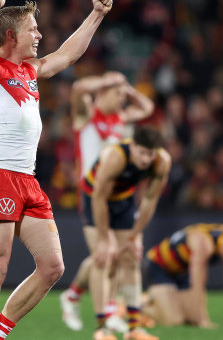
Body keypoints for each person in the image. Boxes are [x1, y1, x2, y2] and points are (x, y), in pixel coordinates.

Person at [0, 0, 113, 339]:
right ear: (11, 36)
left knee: (53, 267)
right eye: (33, 29)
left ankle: (0, 332)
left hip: (27, 181)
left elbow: (68, 54)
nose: (40, 35)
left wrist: (96, 15)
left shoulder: (30, 70)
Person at [60, 71, 155, 332]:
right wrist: (107, 81)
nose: (123, 99)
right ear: (102, 92)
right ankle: (102, 311)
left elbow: (147, 107)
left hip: (117, 194)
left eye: (124, 95)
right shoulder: (86, 116)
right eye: (118, 94)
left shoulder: (120, 118)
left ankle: (75, 296)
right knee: (104, 254)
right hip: (90, 193)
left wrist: (126, 87)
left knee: (113, 254)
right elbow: (79, 87)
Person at [84, 126, 170, 340]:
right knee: (102, 259)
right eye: (141, 152)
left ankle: (133, 330)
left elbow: (150, 200)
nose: (145, 159)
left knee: (131, 258)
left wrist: (136, 235)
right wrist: (105, 238)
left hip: (123, 200)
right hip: (93, 197)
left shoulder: (162, 162)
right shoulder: (116, 156)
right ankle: (102, 329)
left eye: (150, 154)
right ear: (132, 146)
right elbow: (99, 197)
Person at [142, 223, 223, 329]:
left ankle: (161, 300)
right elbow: (197, 283)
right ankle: (137, 304)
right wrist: (203, 320)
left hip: (181, 272)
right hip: (158, 266)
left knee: (190, 320)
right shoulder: (204, 244)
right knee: (174, 320)